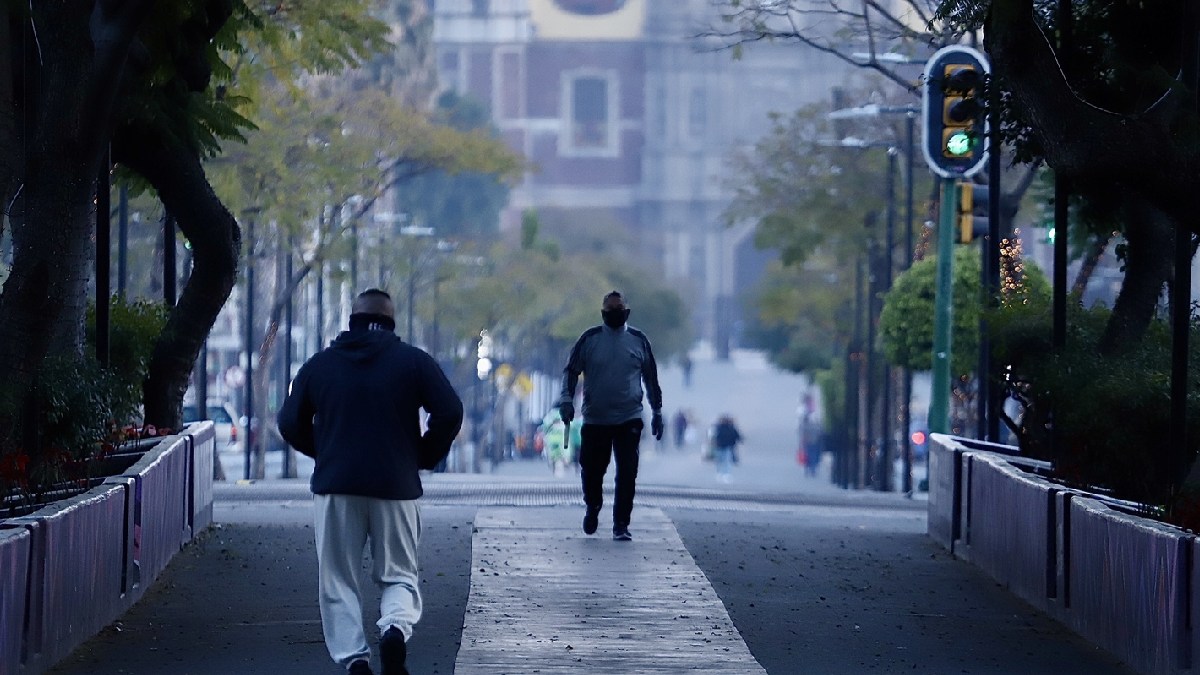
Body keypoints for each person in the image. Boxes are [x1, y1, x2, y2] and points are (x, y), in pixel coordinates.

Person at [277, 289, 464, 675]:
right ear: (391, 322)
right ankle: (394, 627)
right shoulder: (413, 362)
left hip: (336, 487)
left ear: (352, 321)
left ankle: (355, 661)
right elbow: (450, 410)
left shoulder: (321, 365)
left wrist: (325, 452)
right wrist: (424, 455)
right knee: (399, 574)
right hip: (396, 487)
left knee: (338, 580)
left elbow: (288, 422)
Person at [559, 290, 664, 541]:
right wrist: (566, 399)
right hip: (595, 418)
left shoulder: (639, 341)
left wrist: (657, 410)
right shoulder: (589, 339)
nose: (614, 314)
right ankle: (593, 505)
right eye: (610, 310)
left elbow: (650, 378)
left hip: (630, 417)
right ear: (602, 313)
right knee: (591, 470)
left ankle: (621, 524)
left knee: (628, 471)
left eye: (619, 309)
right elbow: (571, 371)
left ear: (626, 312)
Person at [711, 415, 743, 483]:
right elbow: (736, 435)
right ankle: (722, 473)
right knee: (722, 460)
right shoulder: (726, 428)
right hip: (722, 446)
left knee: (724, 460)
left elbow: (736, 435)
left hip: (725, 446)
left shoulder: (721, 428)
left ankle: (724, 474)